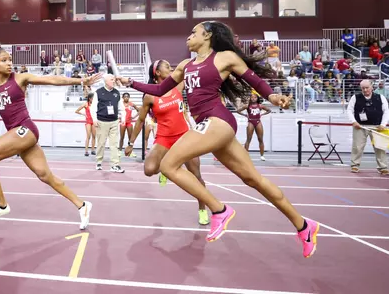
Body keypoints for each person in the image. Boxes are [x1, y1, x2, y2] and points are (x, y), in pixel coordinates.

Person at [117, 21, 319, 258]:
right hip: (212, 126)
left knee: (168, 165)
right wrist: (131, 83)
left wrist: (273, 96)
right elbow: (160, 90)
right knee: (253, 179)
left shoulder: (224, 58)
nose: (188, 36)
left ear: (208, 35)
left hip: (217, 120)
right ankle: (304, 226)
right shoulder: (185, 65)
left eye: (194, 32)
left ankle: (219, 210)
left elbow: (255, 81)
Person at [0, 40, 103, 229]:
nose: (9, 63)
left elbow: (52, 80)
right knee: (45, 175)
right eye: (4, 60)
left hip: (26, 129)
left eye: (10, 60)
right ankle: (82, 206)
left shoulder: (20, 78)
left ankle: (1, 205)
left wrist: (81, 80)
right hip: (19, 135)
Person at [124, 59, 209, 225]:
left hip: (184, 136)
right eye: (168, 67)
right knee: (149, 170)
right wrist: (131, 143)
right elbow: (140, 120)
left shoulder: (178, 85)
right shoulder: (149, 96)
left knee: (197, 176)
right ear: (157, 73)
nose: (172, 69)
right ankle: (166, 168)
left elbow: (195, 74)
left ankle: (202, 209)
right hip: (164, 137)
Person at [347, 79, 389, 175]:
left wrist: (383, 124)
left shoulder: (380, 97)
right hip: (360, 127)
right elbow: (349, 110)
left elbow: (386, 111)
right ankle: (355, 166)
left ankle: (383, 167)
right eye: (363, 88)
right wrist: (353, 121)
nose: (365, 90)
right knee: (357, 147)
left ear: (372, 87)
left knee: (380, 148)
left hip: (377, 127)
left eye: (367, 88)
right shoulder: (355, 97)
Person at [89, 74, 126, 173]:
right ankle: (98, 161)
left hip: (114, 121)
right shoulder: (98, 92)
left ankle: (115, 164)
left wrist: (123, 118)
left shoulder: (117, 93)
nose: (113, 81)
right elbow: (93, 107)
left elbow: (121, 107)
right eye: (111, 79)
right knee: (101, 143)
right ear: (106, 81)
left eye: (114, 79)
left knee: (114, 144)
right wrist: (94, 119)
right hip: (102, 121)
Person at [236, 91, 271, 161]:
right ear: (250, 98)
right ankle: (245, 155)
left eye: (255, 97)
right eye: (252, 97)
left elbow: (269, 110)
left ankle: (262, 155)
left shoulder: (260, 106)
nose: (253, 98)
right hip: (251, 121)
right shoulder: (247, 105)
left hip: (258, 121)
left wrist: (262, 114)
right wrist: (245, 115)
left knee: (260, 139)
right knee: (248, 139)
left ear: (257, 98)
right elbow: (238, 111)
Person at [118, 92, 139, 157]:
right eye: (125, 97)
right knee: (122, 137)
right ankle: (120, 151)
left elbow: (139, 110)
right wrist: (119, 116)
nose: (126, 98)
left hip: (129, 122)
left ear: (129, 97)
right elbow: (116, 111)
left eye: (127, 96)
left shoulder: (131, 104)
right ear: (123, 97)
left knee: (130, 138)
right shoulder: (120, 104)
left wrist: (134, 117)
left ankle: (131, 152)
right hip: (123, 122)